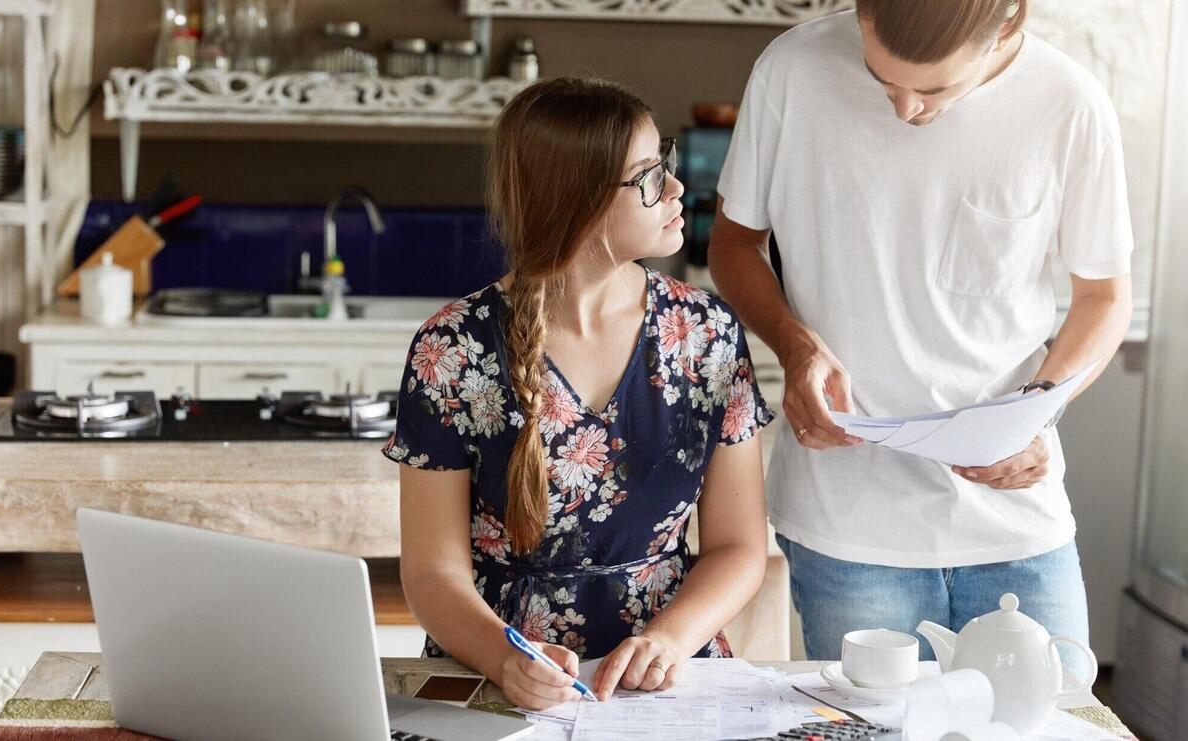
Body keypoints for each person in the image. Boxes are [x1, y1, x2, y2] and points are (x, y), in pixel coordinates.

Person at [709, 0, 1133, 674]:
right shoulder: (791, 71)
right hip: (848, 524)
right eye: (882, 81)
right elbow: (733, 248)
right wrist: (795, 345)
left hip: (1015, 516)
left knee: (1053, 716)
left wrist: (1042, 405)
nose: (903, 110)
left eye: (933, 89)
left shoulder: (1069, 104)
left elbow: (1105, 297)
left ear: (1006, 26)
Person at [385, 77, 775, 711]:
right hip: (496, 680)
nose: (676, 189)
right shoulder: (451, 348)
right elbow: (432, 575)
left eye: (666, 164)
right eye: (650, 176)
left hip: (668, 684)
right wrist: (507, 658)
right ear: (580, 199)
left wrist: (668, 641)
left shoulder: (708, 334)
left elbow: (739, 548)